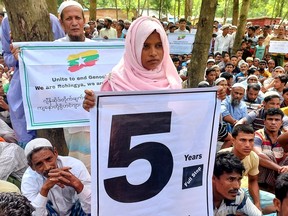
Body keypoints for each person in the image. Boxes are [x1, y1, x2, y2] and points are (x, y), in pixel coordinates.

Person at [83, 16, 226, 111]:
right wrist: (93, 105)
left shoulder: (171, 79)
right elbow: (104, 120)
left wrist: (211, 99)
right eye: (145, 46)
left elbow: (182, 115)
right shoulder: (115, 82)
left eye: (159, 45)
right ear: (133, 47)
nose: (153, 53)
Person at [1, 13, 65, 148]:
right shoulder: (8, 21)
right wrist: (17, 57)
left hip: (50, 81)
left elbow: (62, 51)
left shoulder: (50, 20)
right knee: (26, 135)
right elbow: (6, 55)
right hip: (21, 84)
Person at [56, 0, 95, 171]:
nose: (74, 22)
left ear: (84, 20)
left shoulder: (98, 48)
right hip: (72, 118)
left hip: (95, 115)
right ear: (61, 22)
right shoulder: (53, 48)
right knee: (79, 164)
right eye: (69, 18)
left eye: (77, 18)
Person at [21, 138, 91, 216]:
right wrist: (45, 189)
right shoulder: (28, 179)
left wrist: (77, 185)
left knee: (84, 197)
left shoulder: (75, 165)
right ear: (31, 166)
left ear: (55, 153)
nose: (47, 167)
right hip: (50, 213)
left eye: (49, 159)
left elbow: (93, 207)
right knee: (38, 205)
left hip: (76, 210)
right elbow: (33, 214)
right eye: (39, 164)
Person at [219, 124, 276, 214]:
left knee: (275, 201)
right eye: (243, 140)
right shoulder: (221, 157)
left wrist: (257, 204)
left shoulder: (253, 157)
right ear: (233, 141)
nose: (248, 145)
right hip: (224, 193)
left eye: (251, 140)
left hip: (242, 191)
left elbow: (253, 181)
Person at [213, 151, 262, 216]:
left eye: (239, 179)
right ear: (213, 178)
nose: (237, 186)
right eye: (231, 179)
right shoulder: (198, 201)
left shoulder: (239, 195)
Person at [253, 108, 288, 190]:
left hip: (281, 171)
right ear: (264, 122)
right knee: (266, 154)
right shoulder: (258, 134)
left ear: (281, 122)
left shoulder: (284, 137)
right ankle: (264, 188)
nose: (273, 122)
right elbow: (258, 155)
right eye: (270, 119)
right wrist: (278, 168)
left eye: (277, 120)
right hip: (264, 177)